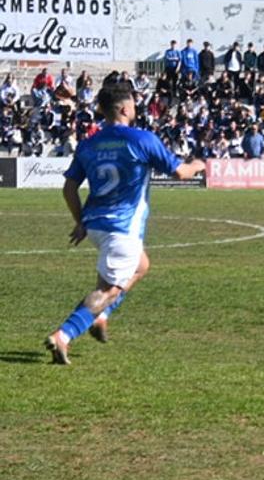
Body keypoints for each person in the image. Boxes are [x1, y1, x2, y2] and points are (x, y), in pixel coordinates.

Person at [44, 77, 206, 365]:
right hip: (122, 228)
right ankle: (64, 335)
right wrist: (198, 164)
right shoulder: (141, 139)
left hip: (95, 225)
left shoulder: (90, 143)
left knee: (141, 266)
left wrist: (80, 222)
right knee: (107, 290)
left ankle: (100, 316)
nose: (136, 106)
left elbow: (69, 187)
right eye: (132, 101)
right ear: (123, 109)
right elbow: (180, 173)